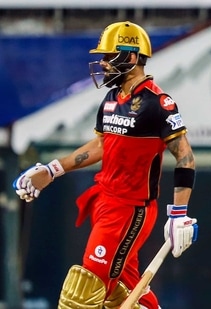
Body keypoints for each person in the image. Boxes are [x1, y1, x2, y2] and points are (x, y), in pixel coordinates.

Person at [12, 21, 198, 309]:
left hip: (129, 210)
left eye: (109, 56)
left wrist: (179, 215)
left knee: (80, 295)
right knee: (122, 291)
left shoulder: (158, 103)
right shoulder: (111, 99)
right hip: (106, 203)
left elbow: (185, 156)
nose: (103, 63)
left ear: (132, 57)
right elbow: (100, 145)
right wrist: (52, 170)